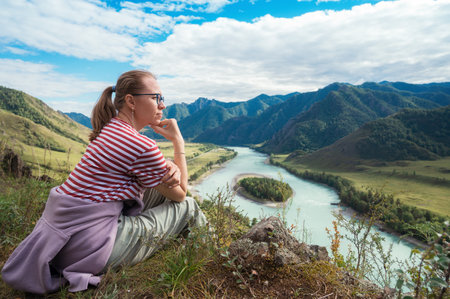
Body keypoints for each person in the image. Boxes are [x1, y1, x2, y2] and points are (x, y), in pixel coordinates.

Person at [1, 70, 207, 294]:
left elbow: (144, 173)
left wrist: (168, 164)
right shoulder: (142, 146)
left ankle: (186, 249)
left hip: (63, 246)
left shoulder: (109, 129)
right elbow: (181, 194)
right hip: (91, 251)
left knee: (159, 192)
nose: (163, 105)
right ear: (131, 101)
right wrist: (178, 143)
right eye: (156, 97)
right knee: (189, 207)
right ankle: (208, 262)